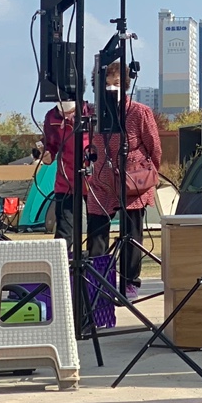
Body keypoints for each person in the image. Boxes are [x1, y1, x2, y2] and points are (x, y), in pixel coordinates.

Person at [86, 60, 162, 298]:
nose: (112, 87)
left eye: (117, 83)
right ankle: (97, 282)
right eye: (107, 82)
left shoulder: (139, 112)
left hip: (132, 182)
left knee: (132, 236)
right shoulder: (93, 114)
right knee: (97, 234)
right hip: (102, 181)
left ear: (126, 84)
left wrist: (148, 174)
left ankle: (130, 283)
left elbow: (154, 147)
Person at [40, 94, 92, 246]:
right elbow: (50, 144)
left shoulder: (92, 112)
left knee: (96, 230)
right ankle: (63, 261)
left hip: (92, 180)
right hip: (65, 181)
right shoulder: (51, 116)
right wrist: (47, 154)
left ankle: (96, 261)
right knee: (64, 231)